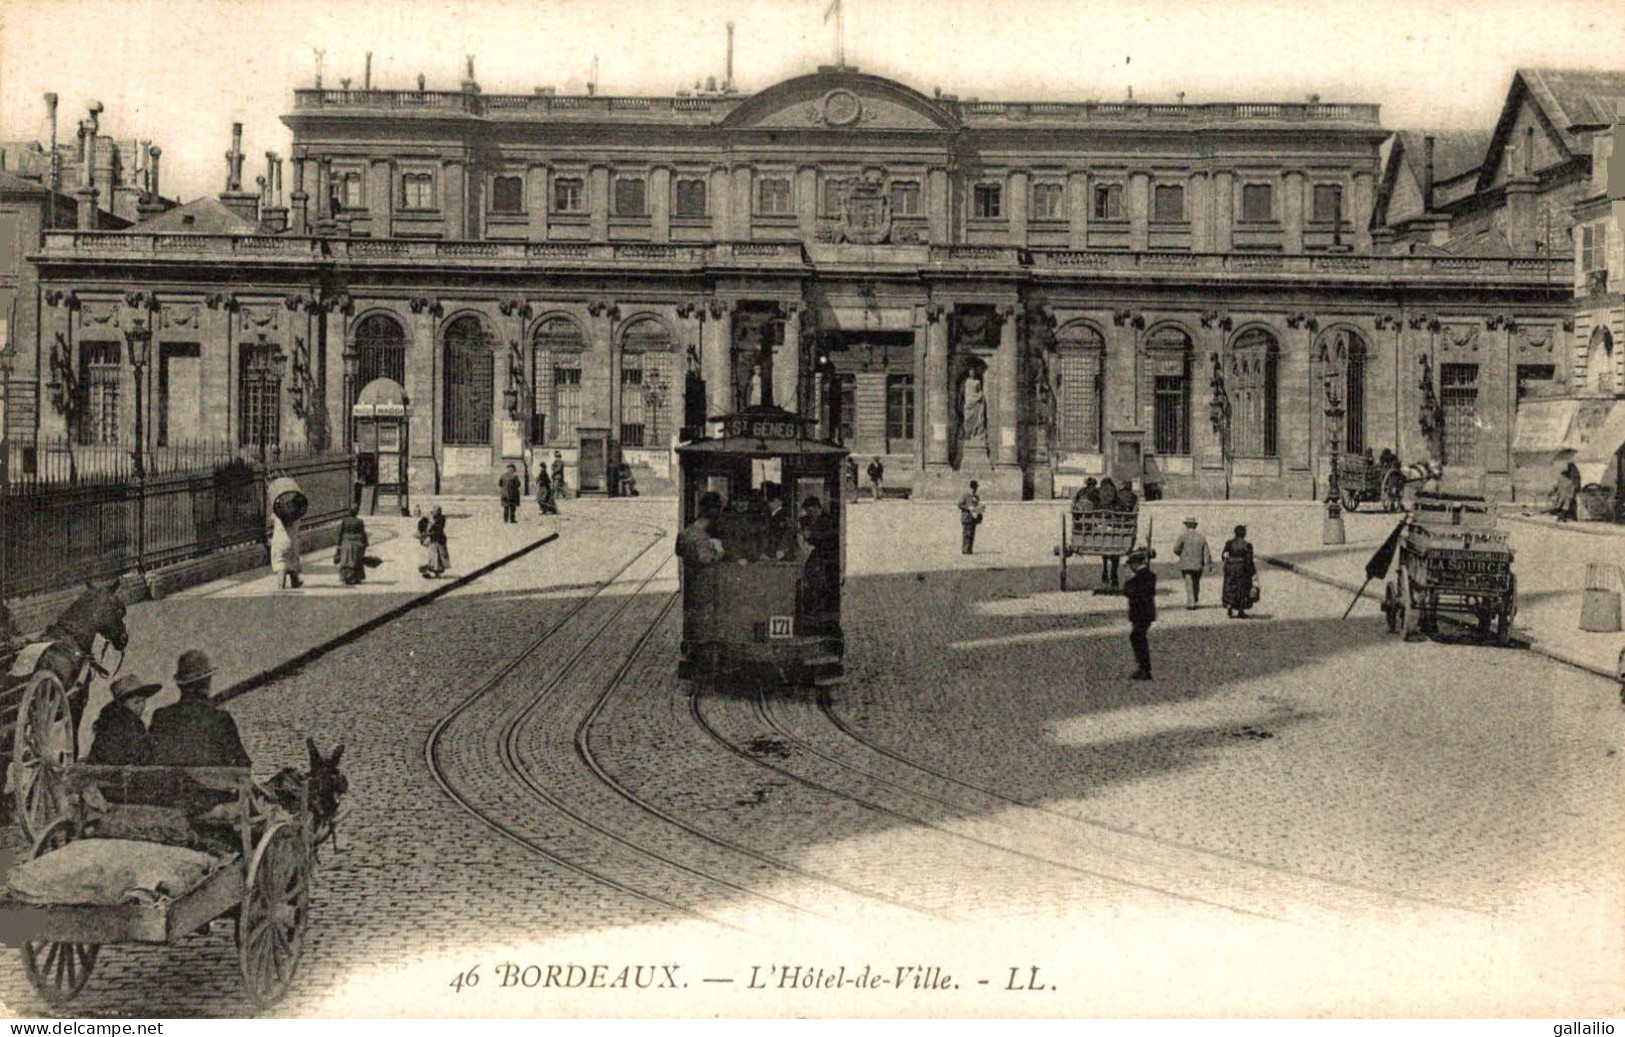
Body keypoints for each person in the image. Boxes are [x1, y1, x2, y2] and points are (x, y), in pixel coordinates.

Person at [149, 650, 251, 811]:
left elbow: (152, 760)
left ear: (180, 685)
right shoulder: (220, 719)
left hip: (170, 802)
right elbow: (243, 767)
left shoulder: (161, 717)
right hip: (210, 804)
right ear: (207, 684)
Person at [85, 674, 159, 767]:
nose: (141, 707)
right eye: (136, 702)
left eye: (143, 701)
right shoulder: (131, 723)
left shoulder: (107, 720)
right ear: (121, 704)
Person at [799, 497, 838, 626]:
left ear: (819, 508)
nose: (811, 513)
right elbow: (800, 531)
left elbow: (831, 536)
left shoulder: (829, 520)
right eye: (808, 511)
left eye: (813, 510)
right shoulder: (804, 520)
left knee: (817, 578)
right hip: (807, 553)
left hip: (825, 554)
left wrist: (813, 536)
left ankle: (817, 608)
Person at [1123, 548, 1157, 680]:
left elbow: (1128, 591)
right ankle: (1143, 667)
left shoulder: (1138, 578)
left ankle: (1144, 668)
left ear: (1135, 564)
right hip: (1146, 613)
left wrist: (1128, 580)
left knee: (1138, 638)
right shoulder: (1150, 575)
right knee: (1138, 637)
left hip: (1140, 614)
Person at [676, 492, 727, 566]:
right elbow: (706, 559)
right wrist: (720, 553)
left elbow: (678, 552)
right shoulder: (702, 537)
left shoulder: (685, 533)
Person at [1172, 517, 1212, 610]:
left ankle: (1191, 601)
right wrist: (1209, 564)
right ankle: (1195, 599)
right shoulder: (1201, 537)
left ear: (1186, 526)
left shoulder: (1183, 537)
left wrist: (1181, 554)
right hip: (1198, 564)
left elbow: (1175, 549)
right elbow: (1206, 553)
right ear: (1195, 526)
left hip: (1186, 563)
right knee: (1196, 582)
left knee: (1188, 583)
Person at [1222, 524, 1257, 619]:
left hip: (1230, 567)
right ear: (1244, 534)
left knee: (1229, 586)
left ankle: (1229, 604)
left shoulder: (1229, 543)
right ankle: (1241, 610)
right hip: (1242, 568)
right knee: (1242, 589)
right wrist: (1251, 571)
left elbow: (1224, 555)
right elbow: (1249, 560)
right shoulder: (1247, 545)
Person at [334, 507, 370, 585]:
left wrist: (339, 543)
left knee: (346, 559)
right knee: (356, 559)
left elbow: (341, 532)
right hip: (357, 541)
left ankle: (345, 577)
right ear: (356, 513)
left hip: (346, 540)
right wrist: (365, 542)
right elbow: (362, 532)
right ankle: (356, 577)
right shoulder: (360, 521)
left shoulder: (344, 521)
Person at [1097, 478, 1121, 588]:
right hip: (1113, 523)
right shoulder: (1114, 491)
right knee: (1116, 545)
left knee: (1104, 544)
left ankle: (1105, 571)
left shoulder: (1100, 491)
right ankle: (1114, 575)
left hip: (1101, 523)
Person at [271, 508, 303, 589]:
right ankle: (295, 580)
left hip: (278, 542)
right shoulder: (296, 518)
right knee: (293, 561)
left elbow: (271, 517)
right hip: (291, 541)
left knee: (281, 563)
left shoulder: (277, 516)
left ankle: (281, 583)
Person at [420, 505, 450, 578]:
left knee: (439, 557)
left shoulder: (441, 518)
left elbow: (439, 528)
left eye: (436, 511)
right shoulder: (431, 518)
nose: (434, 512)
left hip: (439, 539)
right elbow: (423, 525)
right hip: (433, 540)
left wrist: (431, 522)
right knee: (434, 557)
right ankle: (431, 571)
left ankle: (436, 573)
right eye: (434, 511)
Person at [958, 480, 984, 555]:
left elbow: (978, 506)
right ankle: (965, 549)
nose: (974, 490)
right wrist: (968, 508)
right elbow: (959, 504)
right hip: (966, 517)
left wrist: (980, 515)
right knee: (966, 533)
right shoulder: (965, 495)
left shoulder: (976, 497)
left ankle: (969, 549)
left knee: (972, 534)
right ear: (970, 488)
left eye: (975, 488)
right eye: (973, 488)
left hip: (973, 518)